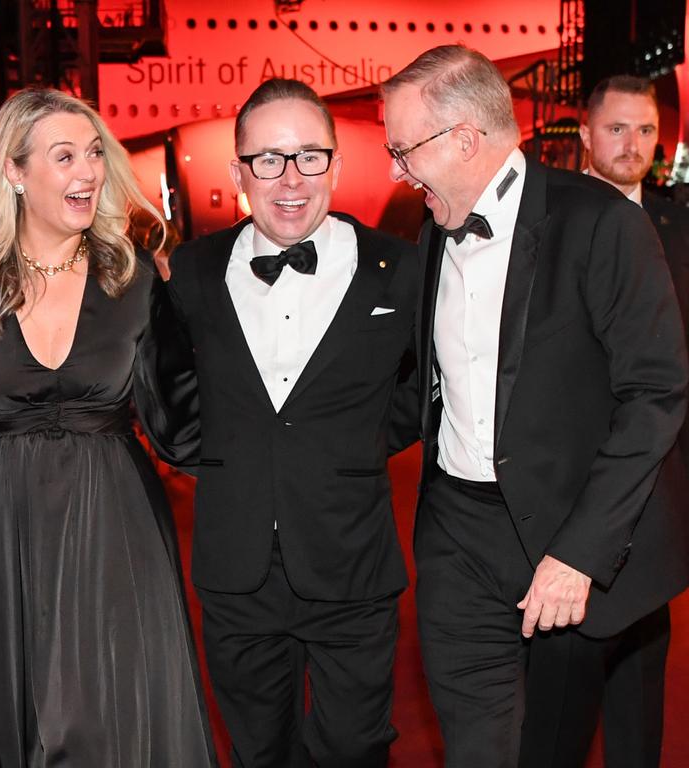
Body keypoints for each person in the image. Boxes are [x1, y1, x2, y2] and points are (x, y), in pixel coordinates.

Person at [381, 45, 689, 768]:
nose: (397, 169)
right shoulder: (430, 230)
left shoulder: (602, 224)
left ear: (464, 140)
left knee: (549, 748)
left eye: (404, 149)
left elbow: (654, 394)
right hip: (456, 539)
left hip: (564, 541)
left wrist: (580, 553)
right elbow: (422, 388)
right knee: (477, 749)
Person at [0, 87, 215, 767]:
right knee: (5, 722)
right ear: (15, 173)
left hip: (117, 531)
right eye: (64, 157)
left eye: (93, 155)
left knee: (114, 719)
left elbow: (182, 425)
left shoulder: (136, 282)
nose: (88, 172)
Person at [158, 78, 417, 767]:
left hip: (352, 563)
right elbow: (166, 388)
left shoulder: (398, 271)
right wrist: (222, 459)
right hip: (235, 569)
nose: (290, 178)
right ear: (239, 170)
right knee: (257, 752)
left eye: (308, 155)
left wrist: (355, 444)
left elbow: (425, 390)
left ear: (335, 164)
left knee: (355, 749)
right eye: (268, 159)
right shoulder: (191, 271)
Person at [577, 73, 689, 768]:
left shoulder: (679, 222)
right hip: (568, 485)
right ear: (585, 131)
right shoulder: (546, 220)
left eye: (646, 130)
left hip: (662, 485)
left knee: (643, 685)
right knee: (556, 695)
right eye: (617, 128)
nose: (633, 144)